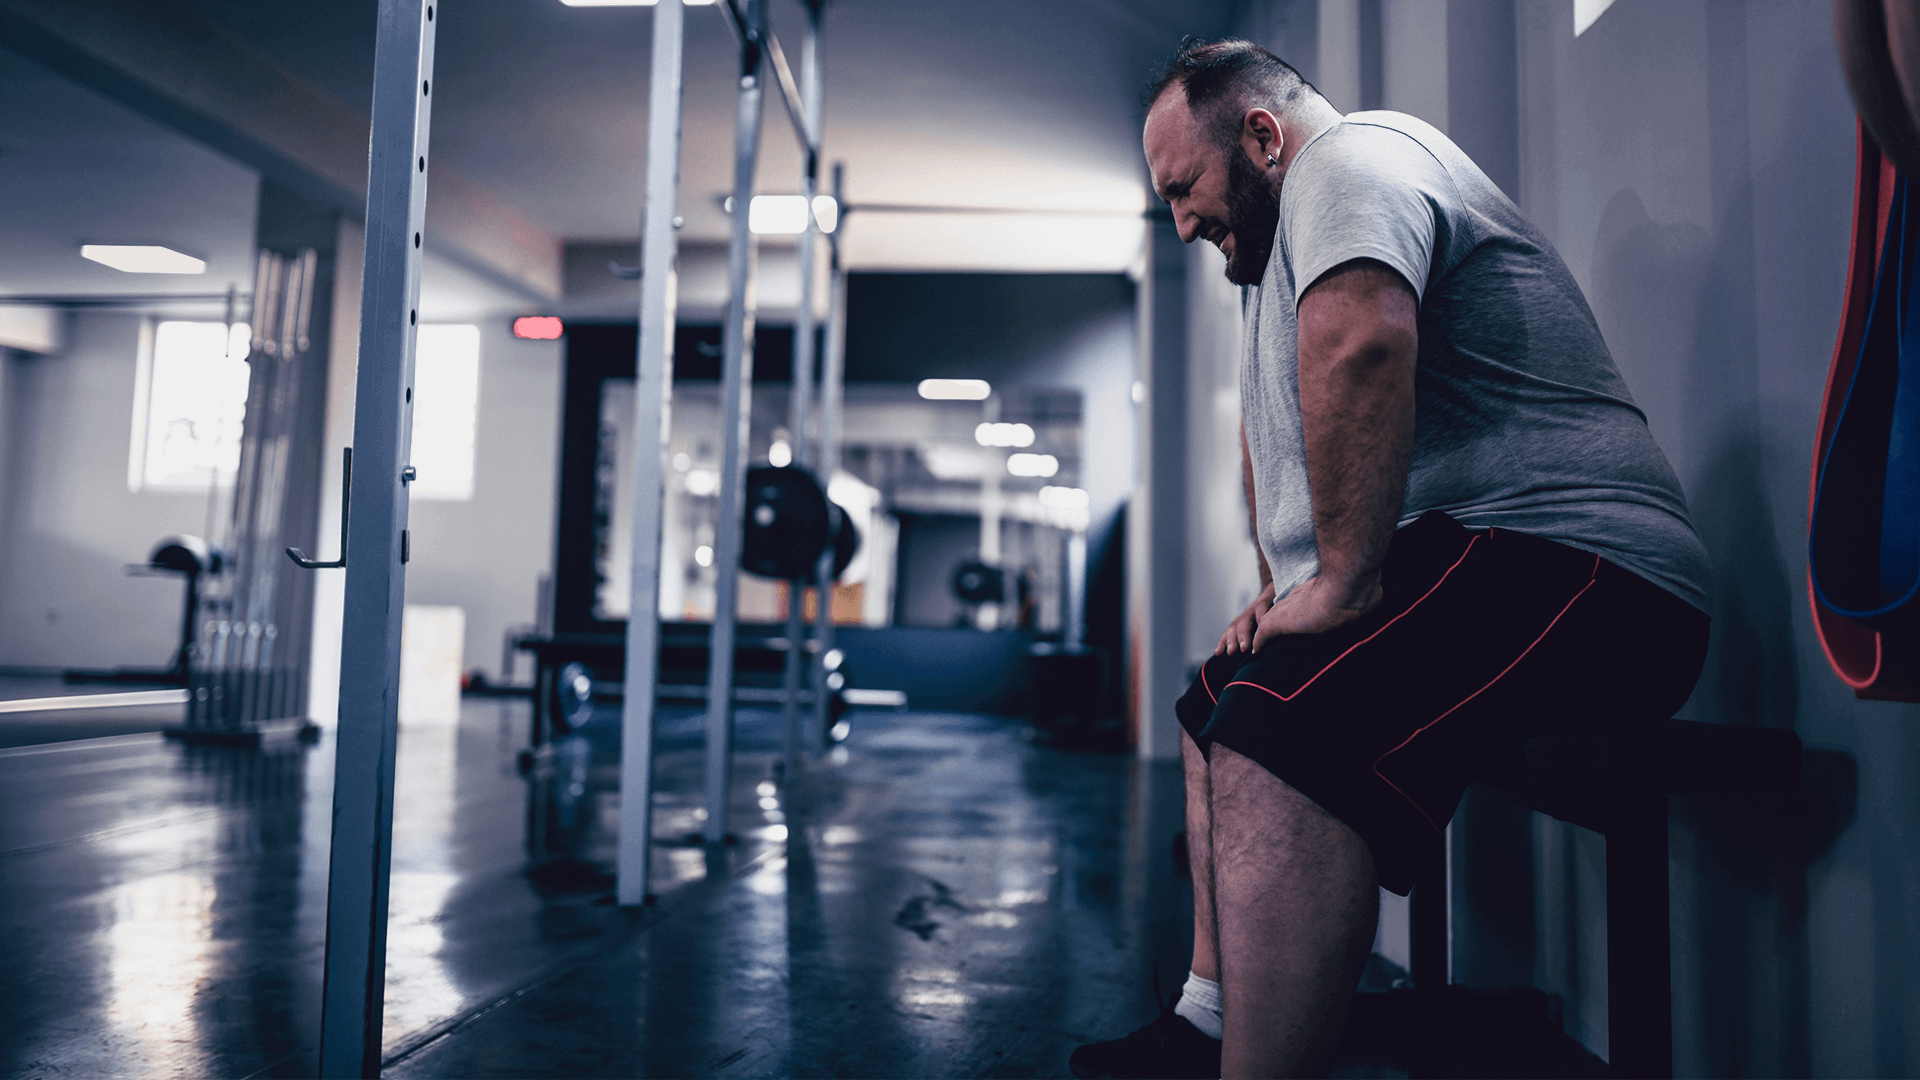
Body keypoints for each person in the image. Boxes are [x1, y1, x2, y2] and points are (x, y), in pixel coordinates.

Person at [1069, 38, 1713, 1079]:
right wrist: (1279, 592)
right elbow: (1276, 440)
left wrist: (1340, 583)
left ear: (1264, 137)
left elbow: (1363, 346)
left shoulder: (1352, 161)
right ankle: (1207, 1021)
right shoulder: (1277, 251)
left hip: (1600, 576)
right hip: (1482, 558)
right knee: (1215, 702)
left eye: (1185, 189)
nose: (1180, 221)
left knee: (1277, 727)